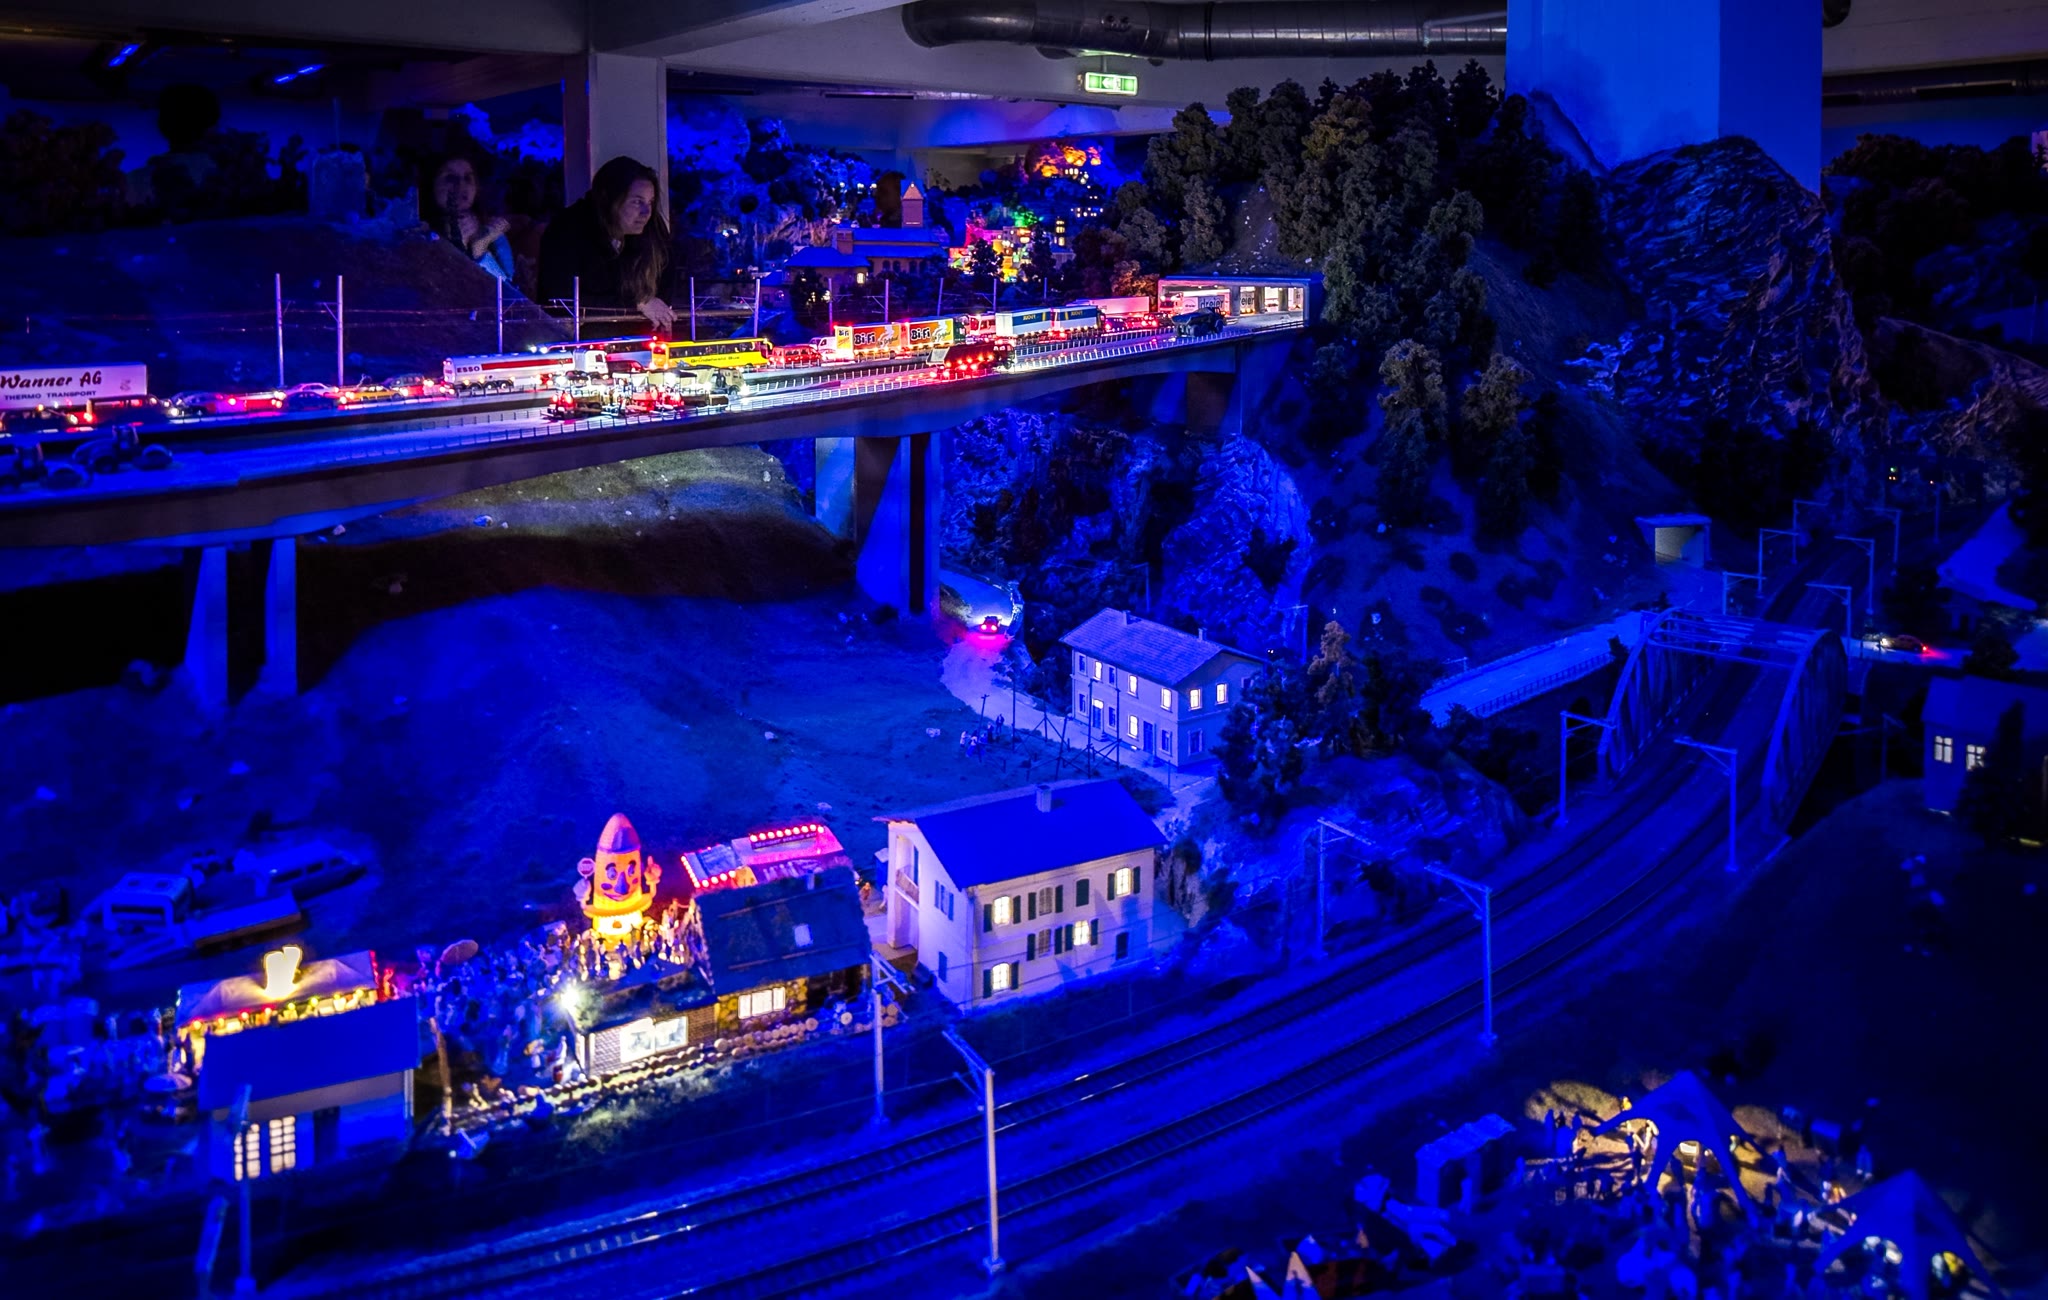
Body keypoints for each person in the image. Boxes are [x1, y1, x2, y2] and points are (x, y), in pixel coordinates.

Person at [537, 155, 677, 329]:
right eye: (637, 202)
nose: (646, 212)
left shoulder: (653, 229)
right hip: (579, 339)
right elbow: (559, 299)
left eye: (650, 202)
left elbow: (666, 285)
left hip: (640, 335)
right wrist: (637, 303)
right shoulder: (567, 229)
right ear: (609, 199)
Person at [421, 152, 516, 281]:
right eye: (450, 177)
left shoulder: (494, 234)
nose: (460, 185)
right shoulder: (416, 229)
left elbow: (505, 290)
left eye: (467, 178)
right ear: (432, 183)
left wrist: (480, 249)